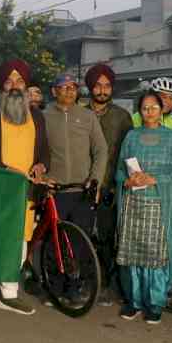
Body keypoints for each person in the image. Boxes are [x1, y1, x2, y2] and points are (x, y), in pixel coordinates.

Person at [0, 58, 49, 318]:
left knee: (18, 242)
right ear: (1, 85)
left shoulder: (36, 115)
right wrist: (5, 169)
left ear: (26, 86)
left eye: (20, 81)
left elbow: (45, 151)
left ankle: (9, 293)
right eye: (9, 80)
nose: (14, 85)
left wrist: (40, 165)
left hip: (25, 192)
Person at [116, 90, 172, 325]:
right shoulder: (131, 136)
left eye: (153, 107)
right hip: (133, 205)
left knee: (155, 257)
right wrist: (127, 180)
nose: (149, 112)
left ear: (162, 110)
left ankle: (155, 304)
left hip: (161, 206)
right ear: (139, 112)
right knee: (132, 254)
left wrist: (153, 179)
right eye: (144, 108)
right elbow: (120, 170)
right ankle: (134, 302)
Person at [84, 64, 134, 306]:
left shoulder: (121, 117)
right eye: (98, 85)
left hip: (109, 188)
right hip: (81, 185)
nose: (102, 90)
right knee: (81, 234)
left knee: (105, 237)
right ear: (90, 87)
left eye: (107, 86)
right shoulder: (79, 113)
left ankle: (104, 284)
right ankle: (82, 281)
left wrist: (122, 182)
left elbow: (129, 151)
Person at [43, 73, 107, 239]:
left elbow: (100, 149)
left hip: (83, 190)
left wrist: (95, 181)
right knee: (54, 243)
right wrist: (43, 179)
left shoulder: (88, 116)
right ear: (54, 91)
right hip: (55, 191)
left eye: (73, 87)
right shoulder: (42, 117)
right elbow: (35, 151)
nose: (69, 91)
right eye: (64, 87)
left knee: (81, 243)